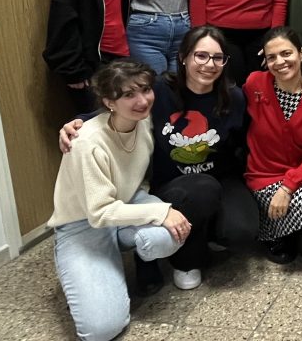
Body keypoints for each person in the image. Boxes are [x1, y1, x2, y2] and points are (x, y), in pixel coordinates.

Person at [58, 26, 258, 293]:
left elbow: (245, 142)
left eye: (217, 58)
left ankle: (205, 228)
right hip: (173, 184)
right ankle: (182, 260)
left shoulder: (234, 97)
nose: (209, 64)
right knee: (201, 190)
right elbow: (121, 108)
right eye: (200, 56)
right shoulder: (160, 90)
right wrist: (79, 122)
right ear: (183, 57)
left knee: (241, 233)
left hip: (221, 177)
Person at [47, 60, 189, 341]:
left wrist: (158, 213)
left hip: (128, 201)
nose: (142, 100)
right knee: (101, 330)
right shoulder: (86, 142)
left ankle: (117, 258)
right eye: (128, 94)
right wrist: (161, 212)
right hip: (83, 223)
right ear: (109, 102)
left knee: (167, 237)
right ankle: (85, 269)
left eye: (145, 89)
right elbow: (100, 213)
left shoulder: (144, 118)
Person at [244, 27, 302, 265]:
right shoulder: (255, 84)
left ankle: (286, 227)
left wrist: (287, 188)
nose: (279, 62)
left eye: (286, 53)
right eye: (272, 57)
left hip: (300, 180)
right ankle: (273, 231)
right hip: (263, 178)